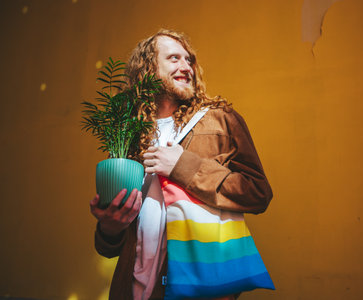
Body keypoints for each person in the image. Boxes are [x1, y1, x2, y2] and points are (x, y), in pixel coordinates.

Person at [90, 29, 273, 300]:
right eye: (174, 58)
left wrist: (183, 166)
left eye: (189, 60)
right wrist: (109, 228)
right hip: (130, 290)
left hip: (198, 289)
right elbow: (109, 247)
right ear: (148, 70)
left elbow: (258, 193)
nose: (186, 67)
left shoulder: (221, 120)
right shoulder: (127, 134)